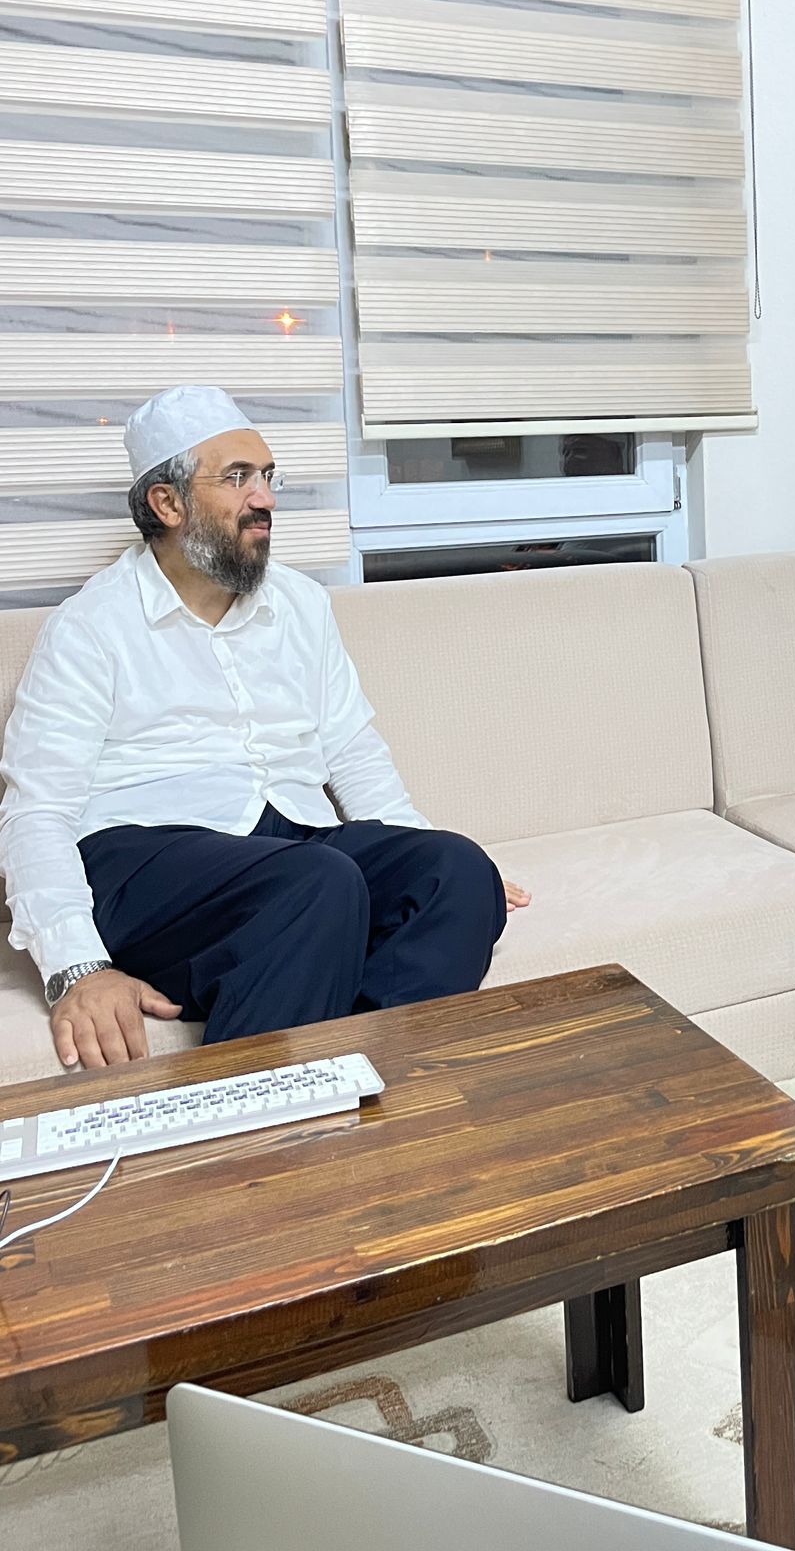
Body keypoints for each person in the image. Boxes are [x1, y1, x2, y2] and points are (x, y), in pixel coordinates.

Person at [0, 386, 528, 1072]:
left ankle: (375, 1084)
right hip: (141, 862)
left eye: (269, 476)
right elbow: (35, 809)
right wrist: (78, 966)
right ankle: (249, 1123)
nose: (266, 499)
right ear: (167, 504)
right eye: (238, 478)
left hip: (289, 845)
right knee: (319, 884)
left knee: (457, 870)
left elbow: (352, 749)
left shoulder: (302, 605)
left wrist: (417, 849)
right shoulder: (89, 627)